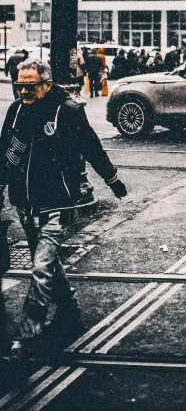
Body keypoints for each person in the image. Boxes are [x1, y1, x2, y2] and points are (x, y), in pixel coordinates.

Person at [0, 58, 127, 364]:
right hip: (25, 202)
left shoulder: (66, 111)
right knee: (46, 261)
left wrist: (112, 179)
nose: (23, 92)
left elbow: (91, 145)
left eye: (29, 86)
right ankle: (68, 306)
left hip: (56, 201)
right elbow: (6, 152)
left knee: (41, 268)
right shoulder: (16, 111)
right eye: (19, 86)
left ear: (46, 84)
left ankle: (28, 334)